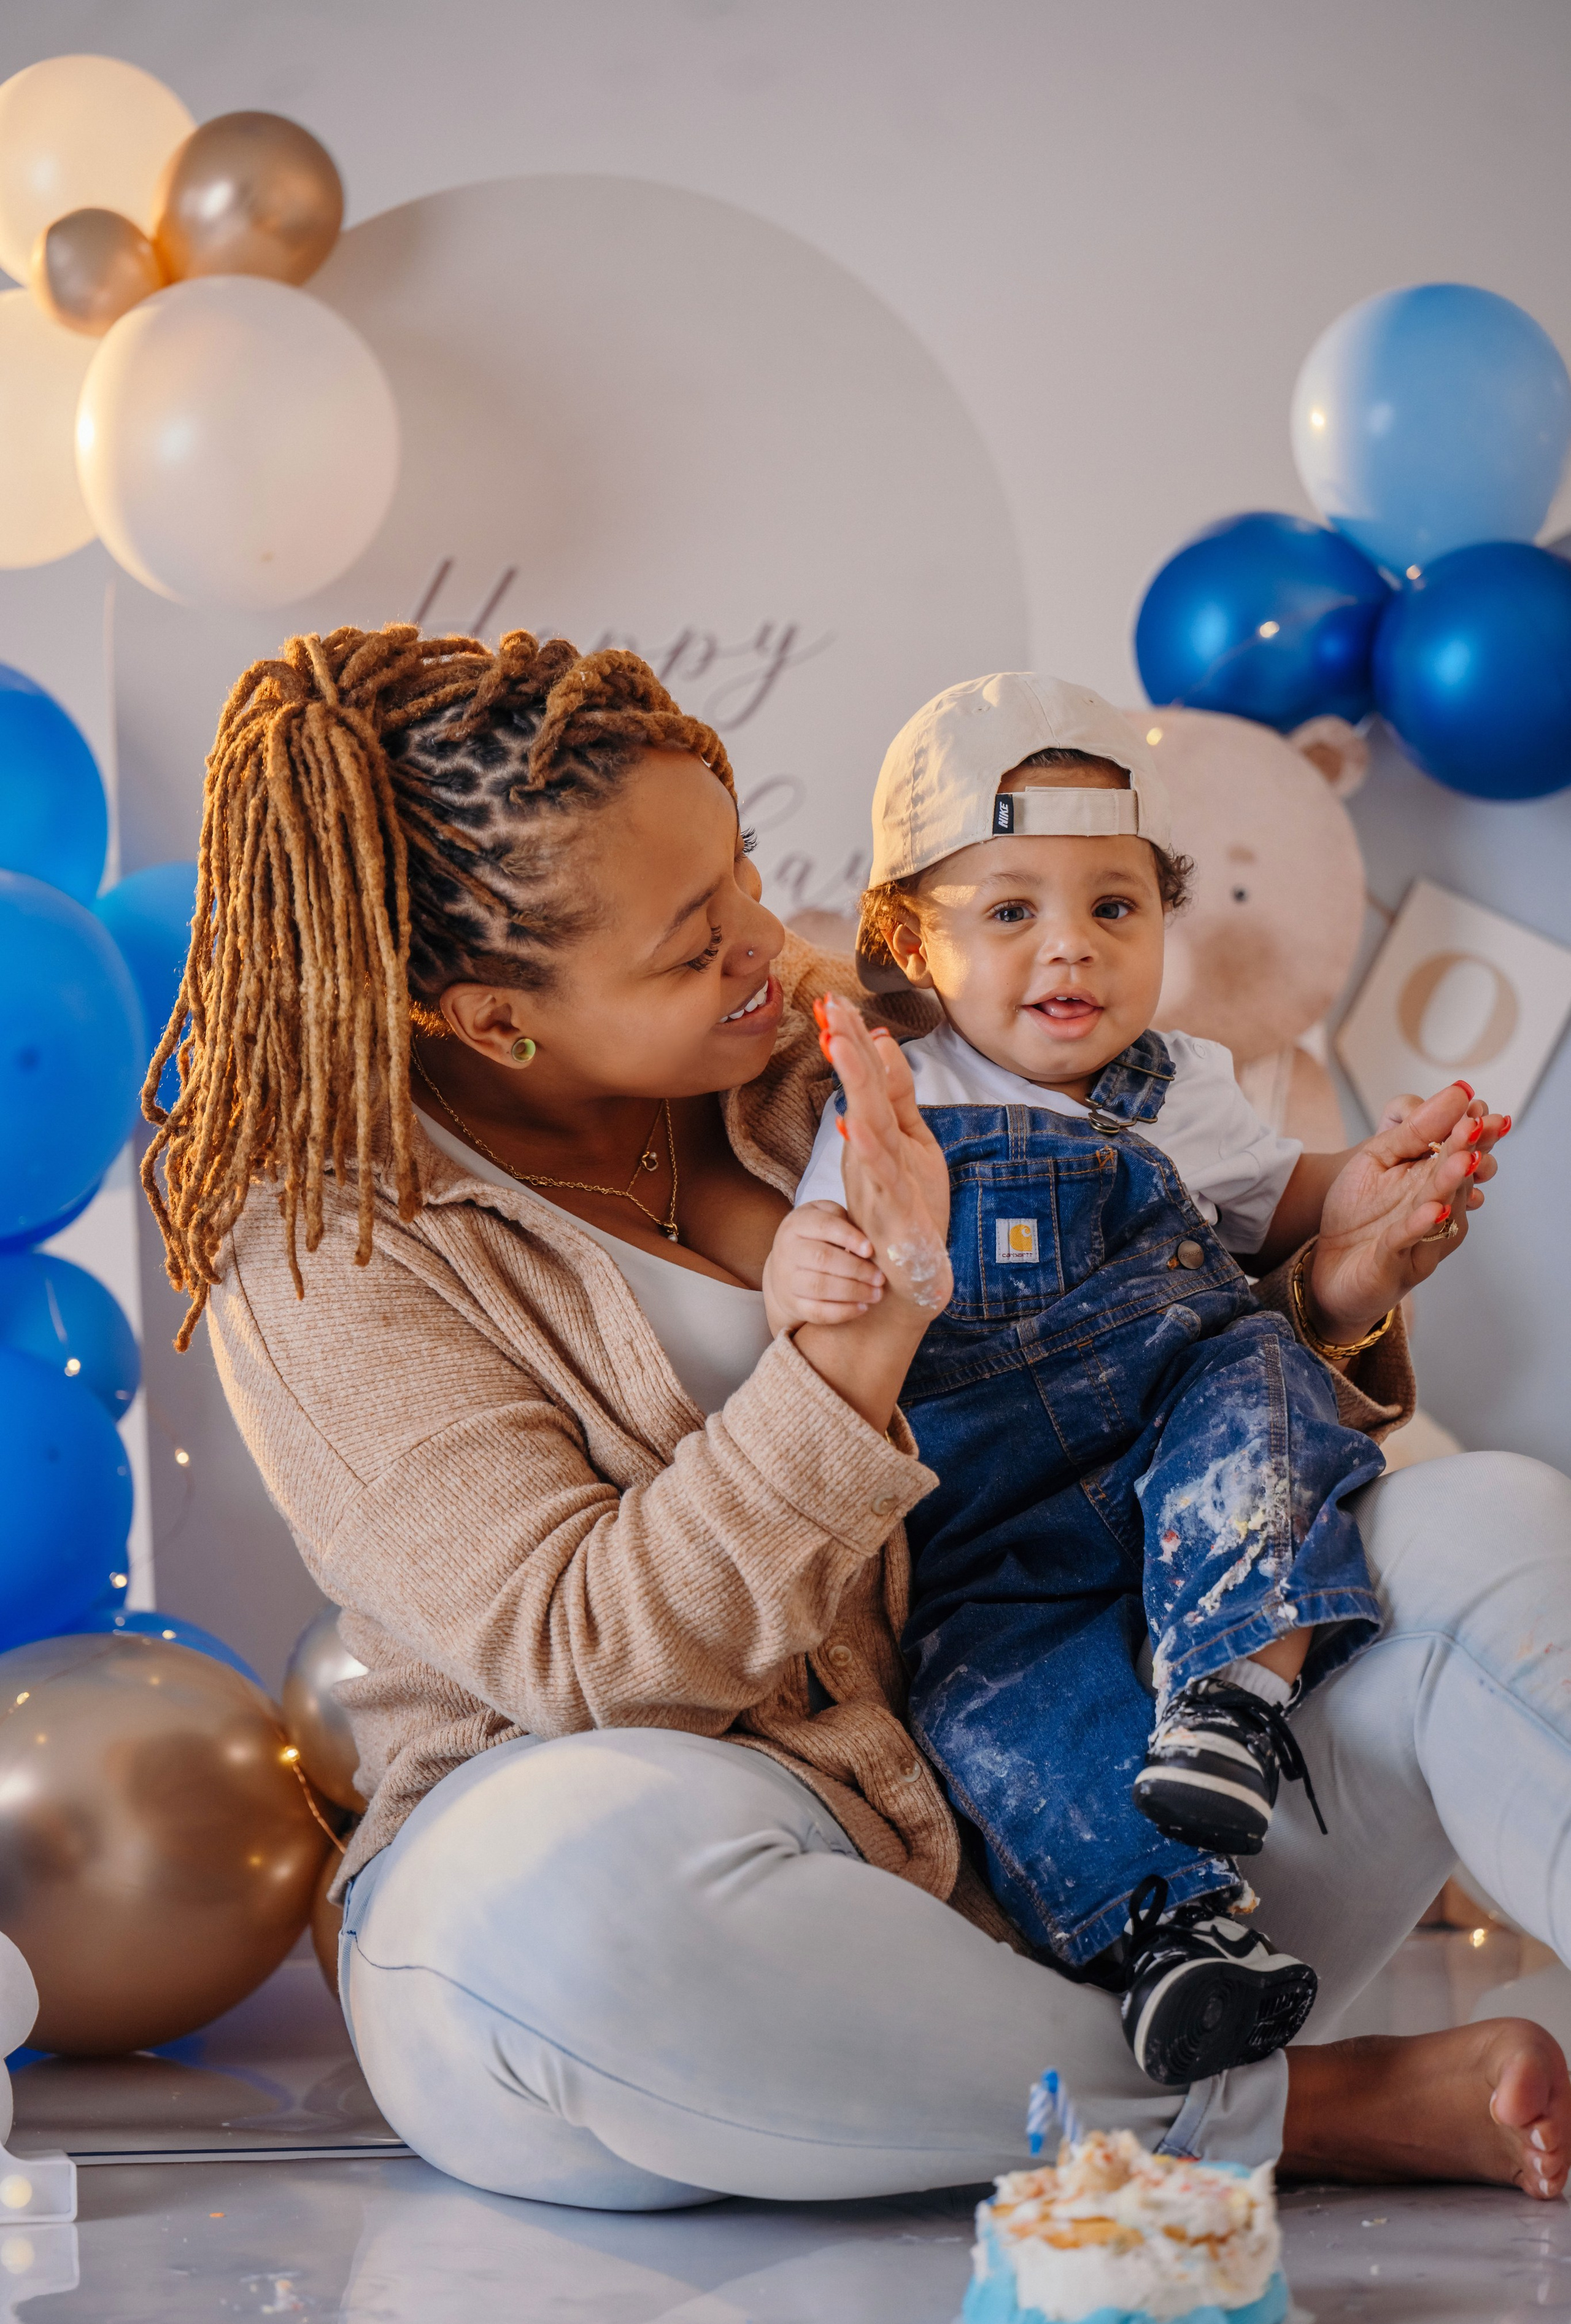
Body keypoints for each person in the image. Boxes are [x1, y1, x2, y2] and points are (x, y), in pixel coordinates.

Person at [143, 623, 1571, 2212]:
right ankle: (1297, 2109)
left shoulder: (837, 1044)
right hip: (734, 1856)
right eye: (693, 942)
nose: (769, 937)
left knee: (1485, 1520)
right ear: (494, 1020)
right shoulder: (329, 1250)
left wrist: (1329, 1283)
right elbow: (586, 1655)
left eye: (743, 870)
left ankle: (1135, 2059)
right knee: (555, 1912)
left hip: (1110, 1816)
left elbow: (1125, 1362)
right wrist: (851, 1358)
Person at [766, 673, 1507, 2090]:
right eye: (1009, 911)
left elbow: (1274, 1203)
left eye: (1113, 908)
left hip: (1176, 1432)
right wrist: (805, 1265)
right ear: (908, 940)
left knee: (1263, 1377)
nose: (1071, 952)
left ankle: (1230, 1698)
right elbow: (821, 1235)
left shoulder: (1180, 1088)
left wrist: (1375, 1173)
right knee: (1003, 1714)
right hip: (998, 1528)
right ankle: (1172, 1940)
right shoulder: (895, 1095)